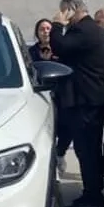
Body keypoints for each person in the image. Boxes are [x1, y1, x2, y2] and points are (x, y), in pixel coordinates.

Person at [50, 0, 104, 207]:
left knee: (87, 149)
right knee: (87, 149)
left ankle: (93, 197)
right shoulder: (89, 30)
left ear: (72, 8)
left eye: (64, 10)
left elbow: (61, 46)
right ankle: (92, 193)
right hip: (91, 99)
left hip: (88, 101)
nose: (62, 14)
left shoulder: (84, 30)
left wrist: (57, 24)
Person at [29, 18, 72, 175]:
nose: (45, 32)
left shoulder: (60, 49)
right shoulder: (32, 52)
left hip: (61, 94)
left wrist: (52, 59)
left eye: (48, 29)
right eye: (42, 29)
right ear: (37, 33)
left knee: (66, 127)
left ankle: (60, 153)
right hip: (40, 95)